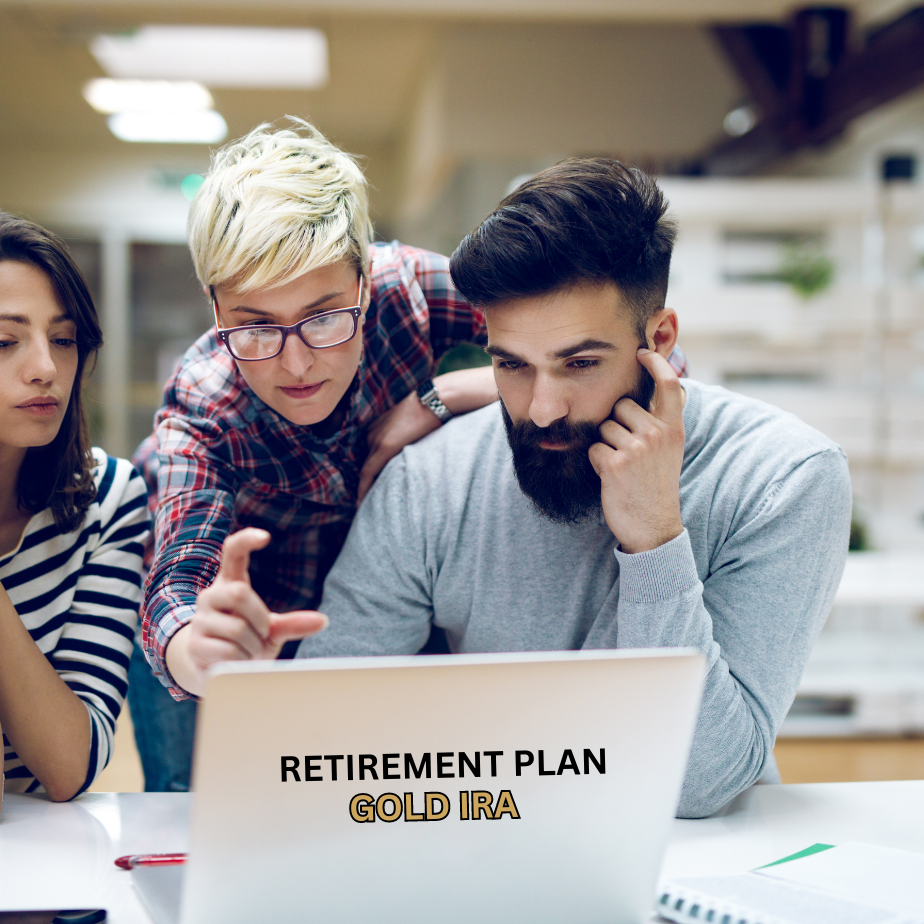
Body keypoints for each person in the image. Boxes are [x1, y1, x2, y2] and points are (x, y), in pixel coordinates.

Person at [291, 159, 853, 818]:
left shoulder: (783, 478)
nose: (543, 409)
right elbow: (318, 737)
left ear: (661, 340)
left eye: (581, 364)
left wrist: (654, 541)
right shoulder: (430, 482)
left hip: (693, 872)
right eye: (512, 366)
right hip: (489, 853)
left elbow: (701, 784)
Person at [132, 119, 498, 786]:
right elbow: (176, 581)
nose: (296, 363)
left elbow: (597, 352)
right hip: (240, 626)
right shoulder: (204, 406)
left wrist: (440, 395)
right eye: (254, 327)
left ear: (365, 278)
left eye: (326, 318)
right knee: (189, 819)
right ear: (213, 305)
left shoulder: (413, 291)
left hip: (376, 609)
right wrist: (196, 645)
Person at [0, 213, 149, 802]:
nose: (45, 368)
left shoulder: (108, 496)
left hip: (44, 873)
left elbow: (70, 765)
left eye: (63, 340)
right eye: (3, 341)